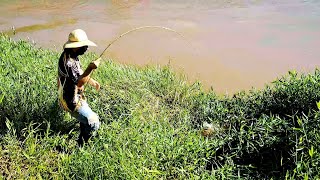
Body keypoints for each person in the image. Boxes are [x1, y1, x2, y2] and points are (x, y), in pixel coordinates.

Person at [57, 29, 101, 146]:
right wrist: (90, 68)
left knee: (85, 120)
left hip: (75, 95)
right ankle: (83, 145)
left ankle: (82, 139)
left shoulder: (72, 55)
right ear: (75, 47)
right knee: (93, 122)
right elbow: (80, 82)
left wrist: (92, 81)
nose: (87, 48)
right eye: (84, 46)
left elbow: (79, 74)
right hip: (70, 100)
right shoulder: (69, 63)